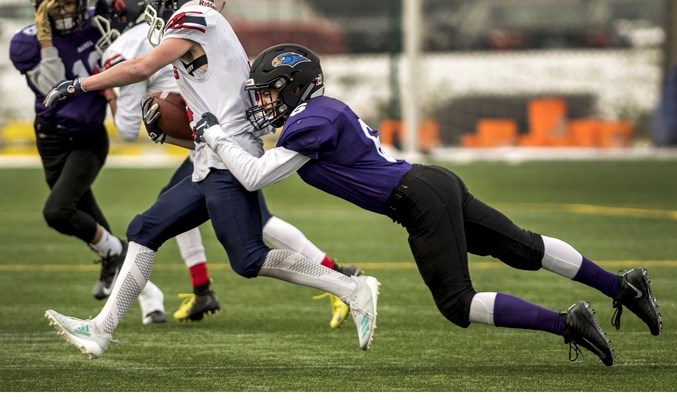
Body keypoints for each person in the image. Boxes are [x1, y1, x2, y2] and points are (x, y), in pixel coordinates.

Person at [190, 43, 663, 367]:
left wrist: (211, 132)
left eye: (271, 92)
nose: (265, 103)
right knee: (522, 248)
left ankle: (569, 322)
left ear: (295, 87)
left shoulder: (310, 121)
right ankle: (623, 287)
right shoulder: (322, 111)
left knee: (458, 305)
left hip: (416, 198)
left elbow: (253, 176)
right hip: (431, 183)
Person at [42, 0, 380, 359]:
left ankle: (352, 288)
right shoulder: (209, 31)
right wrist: (170, 132)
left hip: (227, 159)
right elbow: (204, 117)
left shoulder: (196, 18)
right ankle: (100, 329)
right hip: (212, 156)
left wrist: (77, 85)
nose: (157, 21)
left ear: (174, 4)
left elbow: (139, 68)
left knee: (249, 258)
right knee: (144, 228)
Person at [8, 0, 165, 324]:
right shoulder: (26, 42)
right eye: (56, 5)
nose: (65, 11)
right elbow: (51, 88)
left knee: (57, 211)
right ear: (40, 7)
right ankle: (146, 289)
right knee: (90, 221)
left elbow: (133, 45)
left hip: (89, 139)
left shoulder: (100, 21)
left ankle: (113, 255)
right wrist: (47, 38)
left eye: (70, 3)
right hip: (51, 139)